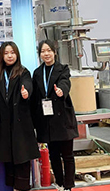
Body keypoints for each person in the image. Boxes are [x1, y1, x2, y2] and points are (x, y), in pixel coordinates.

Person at [0, 41, 40, 191]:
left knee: (22, 157)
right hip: (4, 123)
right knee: (8, 157)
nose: (10, 56)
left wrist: (26, 93)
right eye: (6, 53)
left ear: (17, 54)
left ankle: (22, 187)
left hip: (20, 122)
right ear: (2, 56)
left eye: (12, 52)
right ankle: (12, 186)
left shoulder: (23, 72)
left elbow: (28, 85)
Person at [31, 40, 79, 191]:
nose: (46, 54)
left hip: (62, 117)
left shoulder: (62, 68)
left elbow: (65, 82)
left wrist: (61, 91)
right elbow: (35, 96)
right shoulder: (37, 73)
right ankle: (59, 182)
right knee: (53, 154)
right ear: (40, 54)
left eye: (49, 50)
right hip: (46, 119)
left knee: (67, 155)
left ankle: (69, 185)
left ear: (54, 52)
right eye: (43, 51)